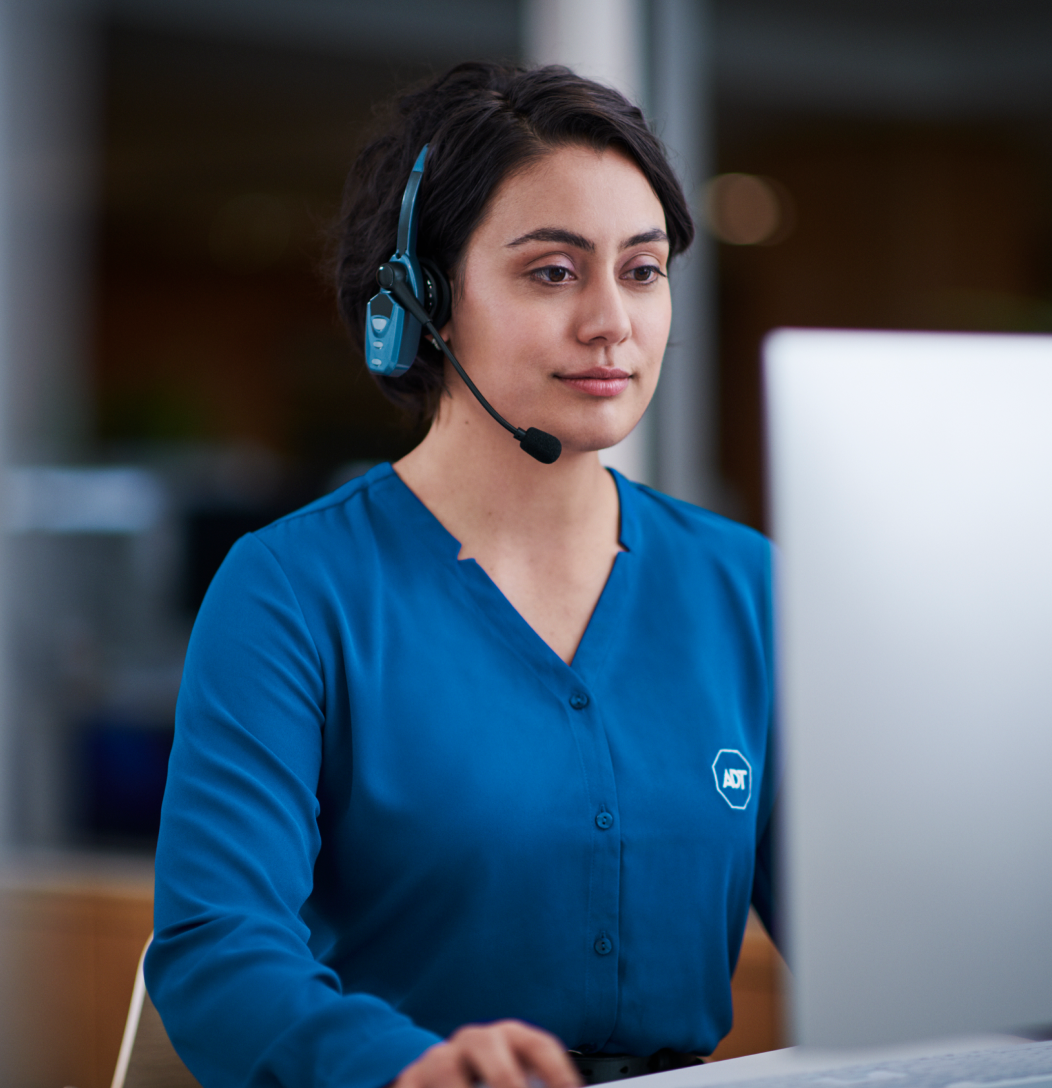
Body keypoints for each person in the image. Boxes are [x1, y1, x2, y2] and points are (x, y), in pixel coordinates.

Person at [145, 62, 777, 1088]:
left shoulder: (744, 585)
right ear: (422, 300)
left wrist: (1037, 993)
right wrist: (410, 1066)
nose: (612, 321)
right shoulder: (292, 589)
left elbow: (863, 918)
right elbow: (217, 948)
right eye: (552, 272)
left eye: (643, 270)